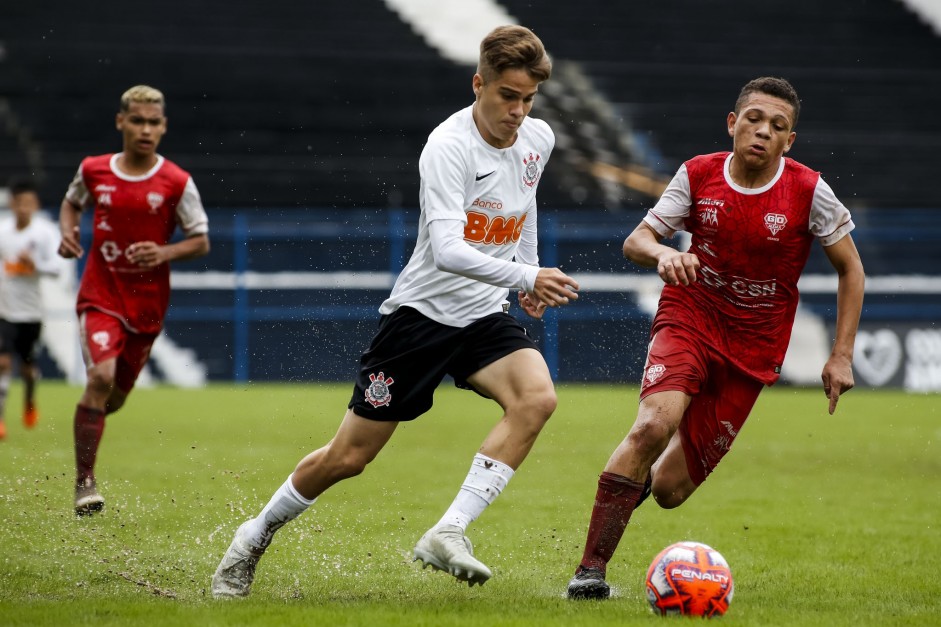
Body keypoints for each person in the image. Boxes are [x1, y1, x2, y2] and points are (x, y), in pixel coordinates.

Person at [211, 24, 579, 598]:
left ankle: (449, 531)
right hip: (420, 320)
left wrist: (523, 275)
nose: (518, 110)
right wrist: (527, 274)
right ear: (478, 84)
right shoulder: (448, 147)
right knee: (349, 457)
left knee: (537, 398)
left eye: (529, 98)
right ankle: (252, 538)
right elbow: (453, 252)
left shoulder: (538, 139)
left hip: (483, 315)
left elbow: (523, 205)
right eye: (508, 95)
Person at [565, 77, 865, 600]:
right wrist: (665, 254)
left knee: (669, 491)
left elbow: (851, 269)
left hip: (753, 350)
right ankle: (590, 573)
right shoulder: (698, 174)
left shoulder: (809, 190)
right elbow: (637, 240)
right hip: (691, 317)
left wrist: (841, 355)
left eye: (778, 126)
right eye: (753, 119)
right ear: (732, 123)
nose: (762, 131)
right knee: (653, 425)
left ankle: (633, 482)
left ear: (789, 140)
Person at [58, 85, 210, 516]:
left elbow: (200, 240)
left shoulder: (176, 181)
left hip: (146, 305)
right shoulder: (94, 170)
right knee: (100, 378)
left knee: (114, 398)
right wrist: (68, 231)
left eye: (153, 122)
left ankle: (92, 419)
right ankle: (84, 482)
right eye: (137, 120)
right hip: (100, 294)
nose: (145, 129)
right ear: (120, 121)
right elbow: (71, 204)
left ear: (164, 127)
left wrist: (165, 252)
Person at [0, 178, 62, 439]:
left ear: (35, 205)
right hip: (4, 310)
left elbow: (57, 269)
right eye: (19, 203)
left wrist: (34, 264)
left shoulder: (45, 233)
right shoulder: (2, 230)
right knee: (2, 363)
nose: (24, 208)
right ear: (12, 204)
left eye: (29, 203)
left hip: (31, 312)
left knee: (27, 369)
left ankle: (29, 400)